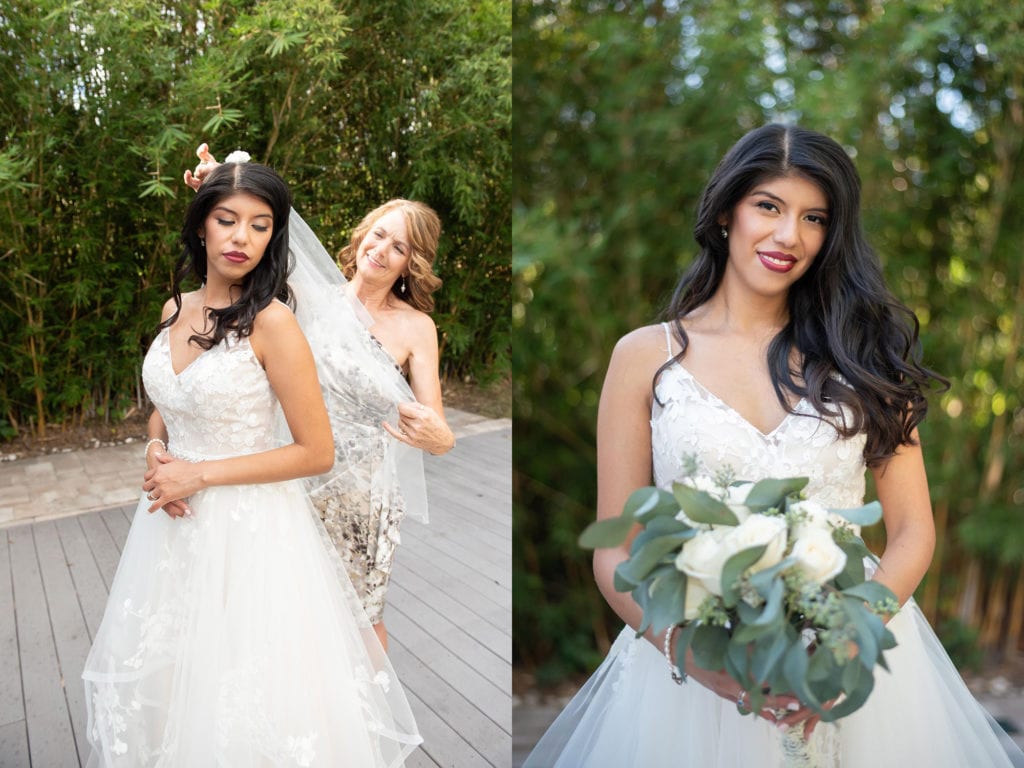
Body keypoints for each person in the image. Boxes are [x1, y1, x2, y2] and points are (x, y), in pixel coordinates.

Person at [523, 124, 1023, 766]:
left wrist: (847, 645)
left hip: (850, 650)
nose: (789, 235)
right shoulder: (646, 358)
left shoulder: (866, 360)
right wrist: (699, 659)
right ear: (727, 210)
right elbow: (614, 548)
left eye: (814, 217)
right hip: (692, 666)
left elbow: (913, 533)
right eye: (769, 206)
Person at [83, 160, 421, 766]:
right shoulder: (172, 309)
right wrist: (157, 452)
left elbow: (317, 451)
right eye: (226, 220)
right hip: (170, 526)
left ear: (273, 239)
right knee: (174, 685)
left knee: (245, 693)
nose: (241, 237)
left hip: (252, 533)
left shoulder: (272, 322)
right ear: (201, 228)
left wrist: (200, 473)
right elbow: (168, 408)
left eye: (260, 226)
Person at [177, 144, 456, 651]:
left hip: (362, 496)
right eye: (379, 234)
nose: (382, 250)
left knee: (361, 618)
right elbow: (267, 235)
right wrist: (223, 181)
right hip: (289, 482)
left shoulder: (418, 328)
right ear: (362, 235)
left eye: (399, 247)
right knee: (288, 612)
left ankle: (371, 726)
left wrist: (440, 438)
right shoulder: (307, 297)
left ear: (410, 263)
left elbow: (434, 427)